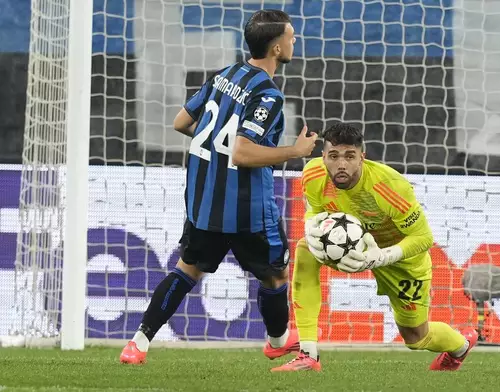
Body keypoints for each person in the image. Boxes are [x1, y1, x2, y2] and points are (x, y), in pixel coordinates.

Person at [120, 9, 317, 364]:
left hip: (203, 204)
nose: (294, 40)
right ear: (275, 48)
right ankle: (277, 340)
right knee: (276, 276)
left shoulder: (224, 75)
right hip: (248, 211)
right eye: (290, 35)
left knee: (186, 270)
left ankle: (137, 344)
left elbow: (181, 122)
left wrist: (215, 148)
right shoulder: (268, 96)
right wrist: (295, 151)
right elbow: (241, 152)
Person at [271, 123, 477, 372]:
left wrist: (380, 257)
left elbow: (423, 238)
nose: (342, 164)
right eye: (334, 156)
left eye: (350, 156)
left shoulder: (388, 186)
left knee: (416, 337)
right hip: (349, 246)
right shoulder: (313, 175)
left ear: (362, 158)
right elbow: (315, 213)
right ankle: (308, 354)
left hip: (400, 258)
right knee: (306, 249)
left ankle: (460, 347)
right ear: (323, 157)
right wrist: (311, 227)